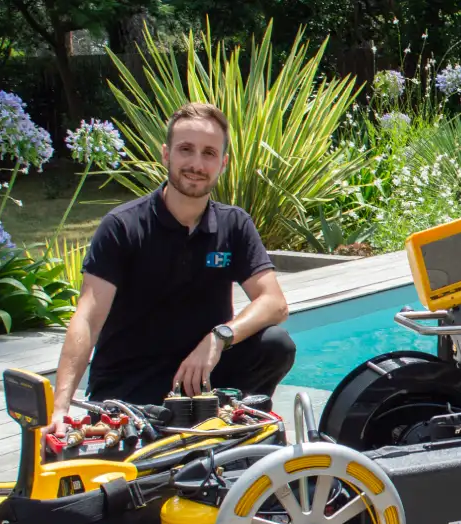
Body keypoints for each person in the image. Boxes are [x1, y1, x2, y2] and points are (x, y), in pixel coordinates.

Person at [48, 102, 296, 434]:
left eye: (209, 153)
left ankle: (239, 429)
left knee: (275, 345)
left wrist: (218, 338)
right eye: (186, 150)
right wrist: (61, 408)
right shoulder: (123, 227)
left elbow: (274, 303)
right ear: (166, 155)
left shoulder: (233, 224)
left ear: (222, 163)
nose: (196, 163)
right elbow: (88, 319)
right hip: (130, 388)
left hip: (199, 381)